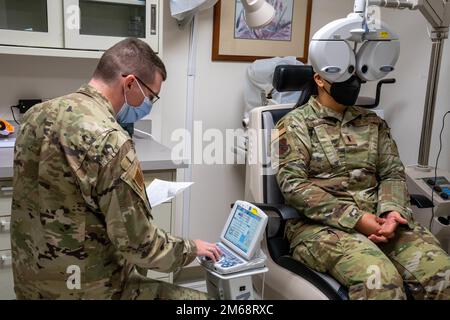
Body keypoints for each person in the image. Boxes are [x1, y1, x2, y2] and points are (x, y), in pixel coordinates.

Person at [11, 38, 221, 300]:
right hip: (88, 289)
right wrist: (192, 248)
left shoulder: (35, 115)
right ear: (130, 83)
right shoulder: (111, 140)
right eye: (151, 97)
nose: (149, 105)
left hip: (30, 285)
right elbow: (141, 247)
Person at [271, 72, 450, 300]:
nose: (353, 83)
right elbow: (293, 186)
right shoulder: (294, 123)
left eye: (356, 75)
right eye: (345, 76)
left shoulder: (373, 122)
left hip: (381, 220)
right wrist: (356, 218)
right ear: (319, 79)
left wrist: (392, 213)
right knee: (381, 282)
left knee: (441, 272)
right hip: (319, 227)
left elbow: (392, 174)